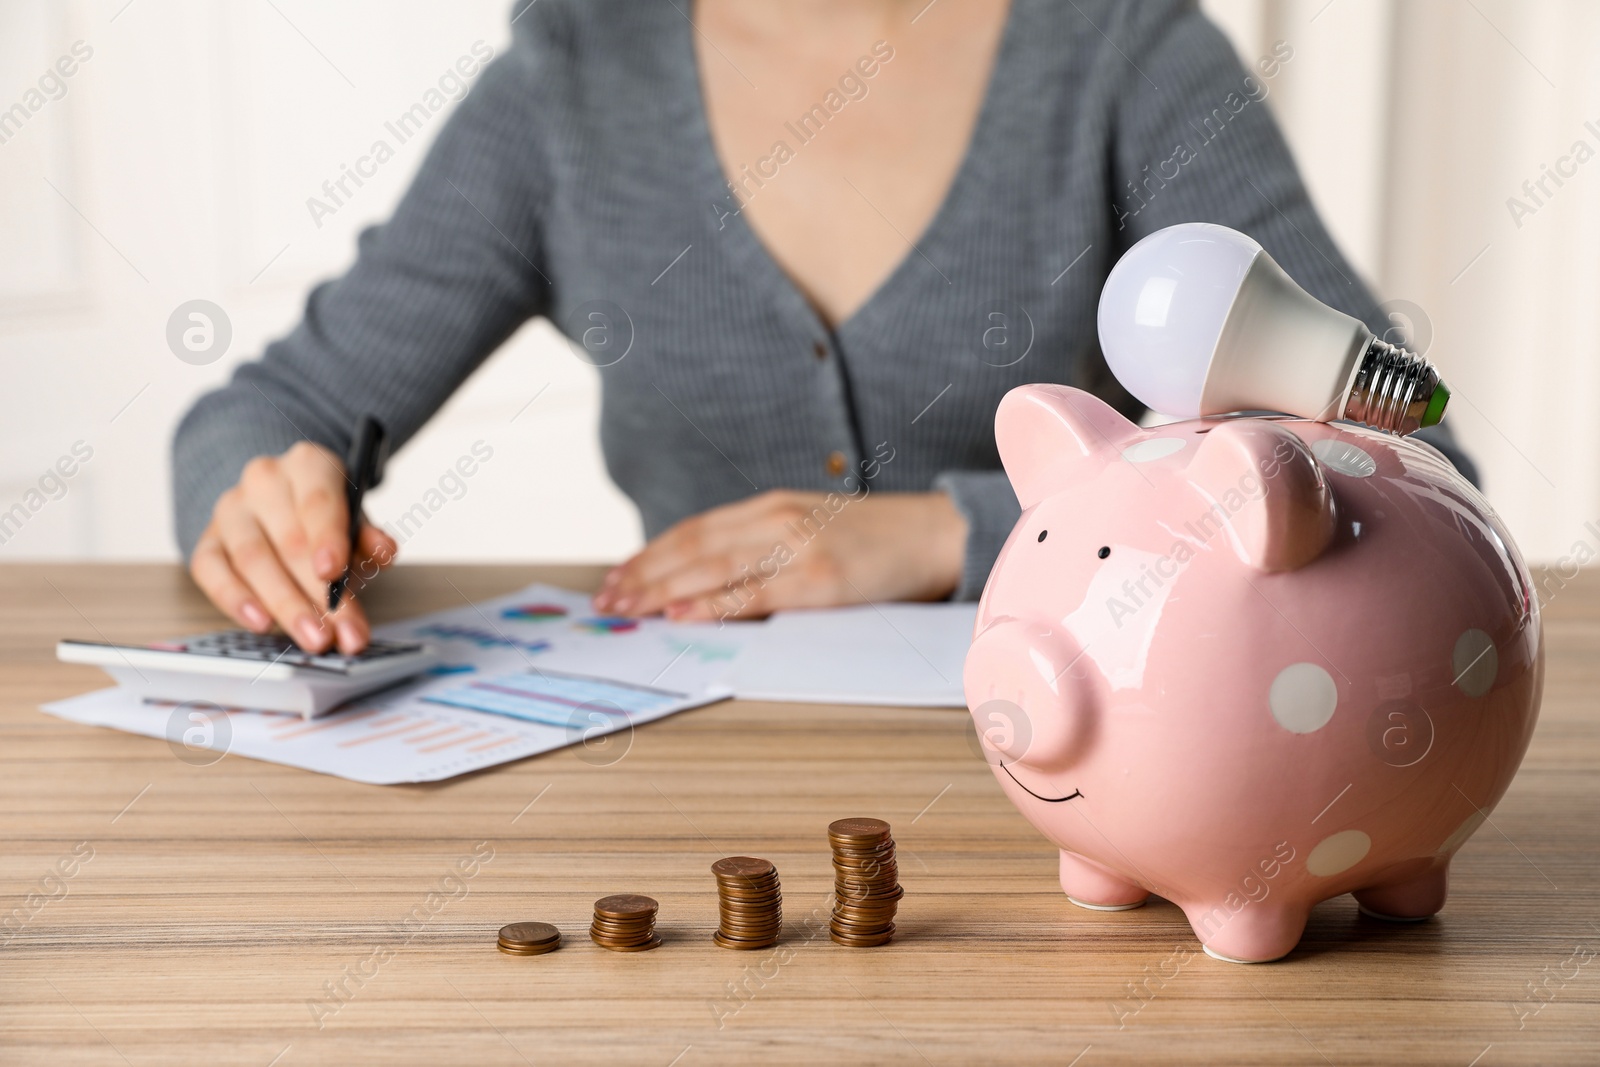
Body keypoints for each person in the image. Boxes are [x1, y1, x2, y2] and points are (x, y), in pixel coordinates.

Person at [172, 0, 1472, 656]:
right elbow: (269, 411)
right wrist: (263, 502)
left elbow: (1404, 460)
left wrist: (943, 534)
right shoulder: (576, 76)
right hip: (688, 813)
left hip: (1103, 796)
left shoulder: (1121, 51)